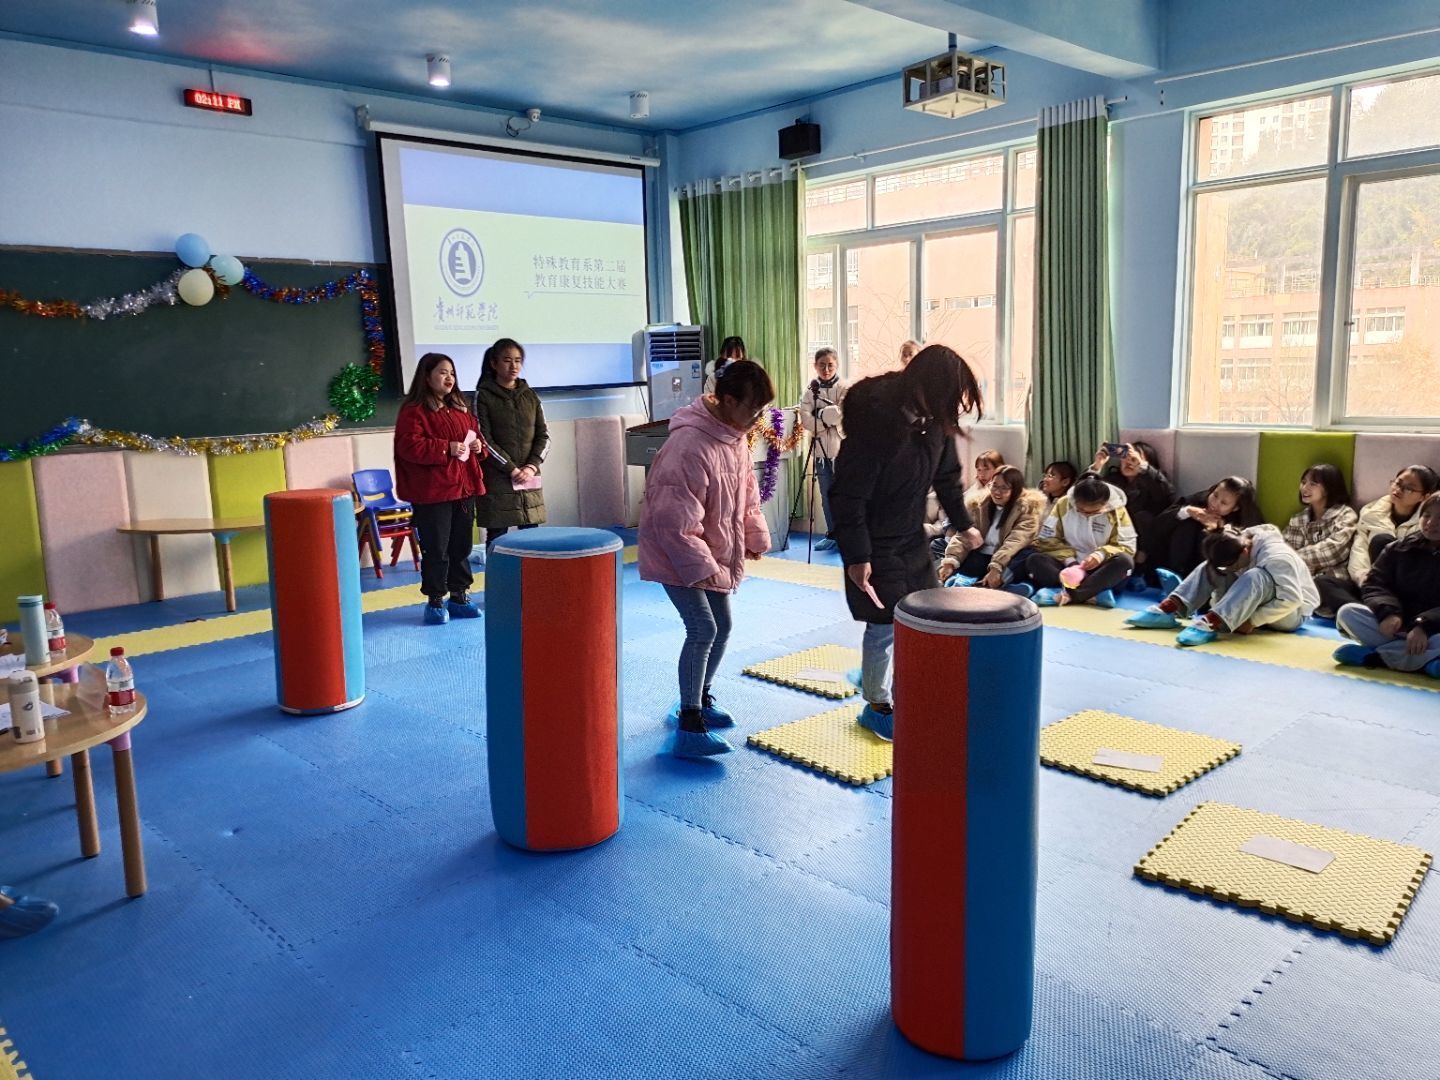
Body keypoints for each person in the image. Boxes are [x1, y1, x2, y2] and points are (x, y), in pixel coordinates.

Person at [831, 344, 984, 741]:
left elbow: (947, 478)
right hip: (875, 543)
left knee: (923, 621)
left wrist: (964, 525)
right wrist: (858, 556)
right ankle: (876, 705)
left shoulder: (933, 423)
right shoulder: (874, 427)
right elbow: (848, 498)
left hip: (912, 539)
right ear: (924, 387)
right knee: (885, 625)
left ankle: (900, 691)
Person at [638, 359, 774, 758]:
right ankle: (690, 721)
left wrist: (754, 536)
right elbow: (673, 519)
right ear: (727, 400)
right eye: (753, 409)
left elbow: (747, 497)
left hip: (709, 552)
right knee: (703, 629)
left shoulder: (734, 439)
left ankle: (700, 695)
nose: (758, 418)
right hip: (676, 553)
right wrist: (698, 567)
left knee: (723, 625)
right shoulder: (689, 444)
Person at [394, 352, 486, 624]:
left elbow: (477, 439)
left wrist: (478, 446)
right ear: (427, 376)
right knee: (436, 548)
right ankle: (435, 600)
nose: (449, 378)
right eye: (443, 372)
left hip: (464, 489)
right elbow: (409, 446)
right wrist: (446, 448)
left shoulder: (460, 409)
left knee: (461, 546)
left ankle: (459, 596)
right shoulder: (414, 410)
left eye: (452, 373)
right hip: (433, 493)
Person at [1125, 525, 1319, 646]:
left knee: (1256, 575)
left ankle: (1213, 623)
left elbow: (1292, 600)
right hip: (1252, 600)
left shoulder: (1277, 557)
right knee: (1210, 566)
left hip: (1292, 613)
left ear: (1244, 552)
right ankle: (1171, 608)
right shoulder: (1236, 540)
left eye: (1232, 565)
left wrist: (1253, 621)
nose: (1229, 570)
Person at [1333, 492, 1440, 678]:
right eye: (1427, 515)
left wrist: (1424, 625)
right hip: (1398, 628)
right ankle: (1425, 662)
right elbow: (1375, 583)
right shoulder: (1400, 548)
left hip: (1433, 632)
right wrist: (1388, 612)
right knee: (1348, 613)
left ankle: (1376, 658)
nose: (1431, 523)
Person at [473, 338, 549, 549]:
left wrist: (531, 466)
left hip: (529, 476)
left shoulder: (530, 396)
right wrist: (512, 469)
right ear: (494, 363)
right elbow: (483, 439)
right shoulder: (483, 396)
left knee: (532, 538)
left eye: (517, 360)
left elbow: (544, 436)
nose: (513, 366)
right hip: (498, 478)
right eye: (507, 360)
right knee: (498, 537)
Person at [1028, 475, 1137, 607]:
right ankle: (1093, 595)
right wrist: (1070, 561)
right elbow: (1047, 539)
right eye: (1081, 511)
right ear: (1075, 501)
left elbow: (1127, 545)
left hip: (1100, 570)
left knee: (1125, 561)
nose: (1086, 514)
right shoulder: (1063, 504)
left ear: (1105, 504)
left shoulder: (1117, 511)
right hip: (1068, 565)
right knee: (1035, 559)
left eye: (1094, 512)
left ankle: (1068, 595)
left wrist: (1101, 555)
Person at [1339, 465, 1440, 606]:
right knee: (1325, 582)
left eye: (1409, 488)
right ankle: (1374, 607)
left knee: (1382, 540)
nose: (1398, 489)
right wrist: (1361, 574)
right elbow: (1360, 547)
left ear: (1424, 496)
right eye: (1398, 483)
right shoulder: (1371, 511)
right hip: (1370, 580)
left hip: (1400, 585)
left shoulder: (1427, 525)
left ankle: (1378, 608)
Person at [937, 465, 1044, 589]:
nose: (997, 492)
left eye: (1004, 488)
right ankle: (964, 580)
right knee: (960, 553)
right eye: (994, 485)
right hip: (982, 556)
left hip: (1007, 558)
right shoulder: (979, 505)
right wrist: (950, 562)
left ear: (1016, 490)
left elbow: (1015, 541)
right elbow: (964, 535)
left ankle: (1009, 586)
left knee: (1026, 556)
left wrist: (996, 567)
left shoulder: (1028, 510)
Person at [1089, 441, 1177, 591]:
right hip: (1113, 534)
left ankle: (1138, 571)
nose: (1128, 462)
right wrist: (1097, 466)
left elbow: (1169, 497)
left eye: (1133, 458)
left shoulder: (1155, 480)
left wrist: (1142, 467)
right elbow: (1085, 496)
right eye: (1125, 457)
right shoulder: (1113, 480)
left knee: (1143, 517)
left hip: (1145, 538)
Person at [1145, 476, 1263, 581]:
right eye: (1215, 495)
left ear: (1235, 507)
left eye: (1223, 503)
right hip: (1178, 559)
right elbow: (1157, 525)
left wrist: (1219, 531)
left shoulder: (1245, 519)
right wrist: (1187, 512)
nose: (1215, 503)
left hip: (1214, 571)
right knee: (1187, 525)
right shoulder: (1199, 500)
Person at [1281, 463, 1358, 618]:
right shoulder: (1297, 519)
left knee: (1322, 583)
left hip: (1334, 580)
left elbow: (1334, 551)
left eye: (1313, 484)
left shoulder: (1345, 515)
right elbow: (1283, 551)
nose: (1304, 488)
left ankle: (1358, 615)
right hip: (1302, 582)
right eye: (1303, 482)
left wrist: (1294, 558)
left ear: (1329, 487)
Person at [797, 347, 848, 552]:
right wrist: (827, 419)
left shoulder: (844, 388)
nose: (826, 369)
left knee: (845, 494)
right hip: (819, 452)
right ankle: (832, 533)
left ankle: (848, 535)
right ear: (815, 366)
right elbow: (806, 420)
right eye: (822, 365)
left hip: (842, 451)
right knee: (826, 494)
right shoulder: (810, 391)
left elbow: (842, 415)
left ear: (837, 365)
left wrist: (820, 414)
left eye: (830, 365)